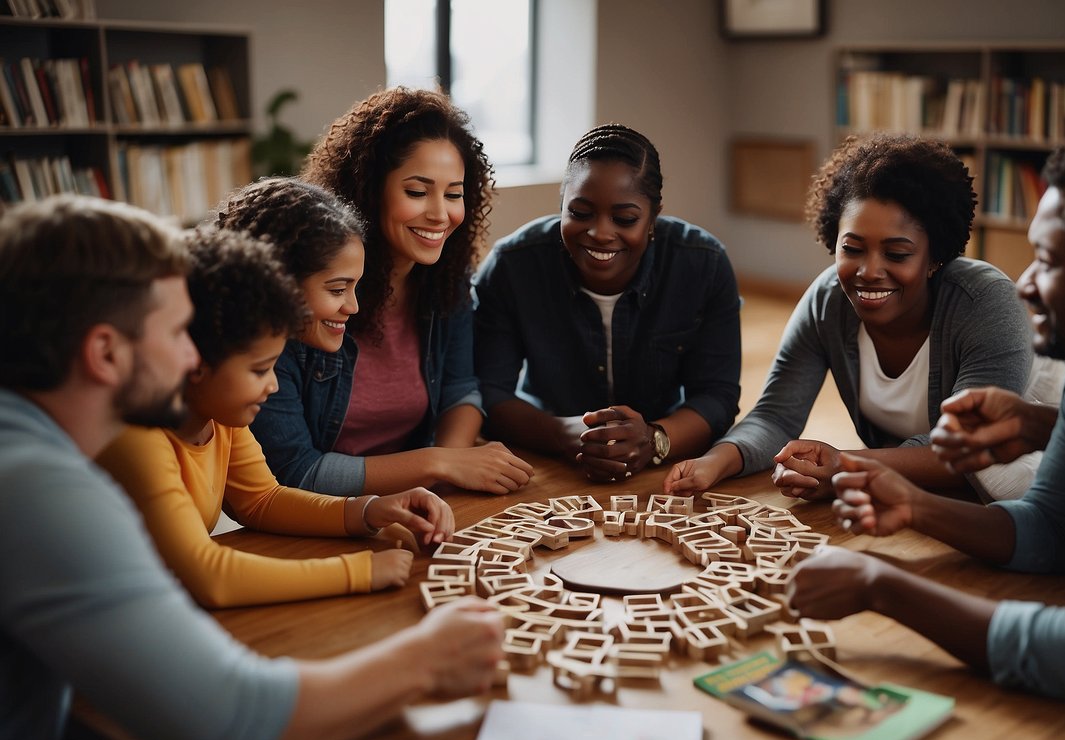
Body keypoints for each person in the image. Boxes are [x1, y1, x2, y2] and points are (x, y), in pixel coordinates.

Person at [0, 195, 504, 740]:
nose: (194, 357)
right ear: (105, 353)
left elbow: (260, 498)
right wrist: (427, 657)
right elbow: (232, 726)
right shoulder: (40, 488)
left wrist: (365, 512)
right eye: (179, 331)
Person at [802, 142, 1065, 714]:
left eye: (1046, 260)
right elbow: (1052, 528)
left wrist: (885, 586)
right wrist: (917, 506)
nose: (1023, 284)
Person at [664, 134, 1034, 501]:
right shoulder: (828, 301)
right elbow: (776, 416)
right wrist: (714, 461)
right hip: (914, 496)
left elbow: (970, 451)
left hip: (1016, 495)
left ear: (935, 256)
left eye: (897, 254)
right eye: (852, 249)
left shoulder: (986, 304)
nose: (869, 271)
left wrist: (846, 466)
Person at [97, 226, 449, 608]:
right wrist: (358, 571)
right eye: (259, 369)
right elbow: (210, 576)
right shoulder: (137, 436)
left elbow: (262, 500)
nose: (273, 386)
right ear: (194, 362)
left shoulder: (219, 417)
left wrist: (370, 510)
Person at [284, 87, 531, 497]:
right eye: (417, 192)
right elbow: (295, 471)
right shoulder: (305, 291)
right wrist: (442, 463)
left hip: (418, 502)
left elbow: (461, 390)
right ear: (366, 191)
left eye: (454, 194)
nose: (440, 214)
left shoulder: (445, 280)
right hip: (322, 516)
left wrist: (445, 476)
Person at [473, 123, 742, 482]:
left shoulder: (702, 263)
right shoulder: (513, 265)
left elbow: (717, 396)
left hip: (665, 468)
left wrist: (655, 438)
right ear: (562, 202)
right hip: (543, 464)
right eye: (580, 213)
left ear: (653, 217)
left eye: (625, 218)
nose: (600, 232)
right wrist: (562, 433)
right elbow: (488, 391)